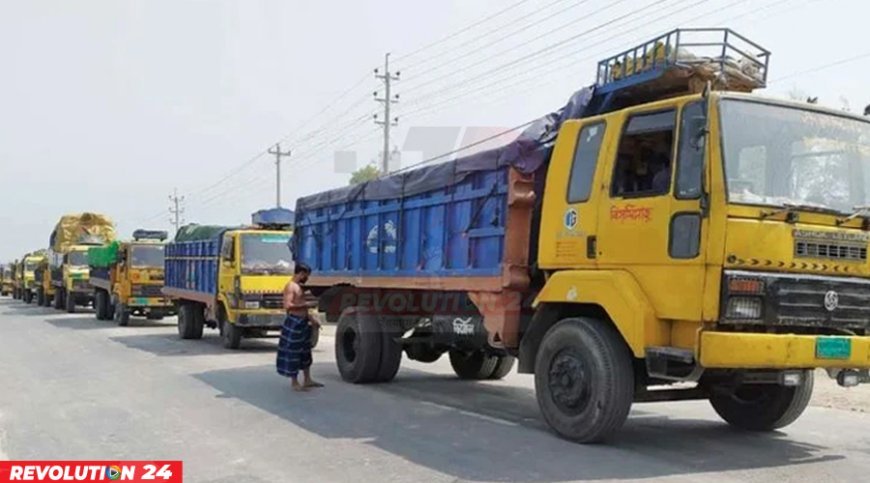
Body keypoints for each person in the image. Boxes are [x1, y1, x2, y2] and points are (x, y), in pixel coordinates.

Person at [276, 262, 322, 392]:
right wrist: (306, 305)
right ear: (301, 273)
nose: (306, 278)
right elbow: (288, 305)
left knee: (305, 351)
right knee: (293, 352)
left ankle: (307, 379)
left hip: (302, 322)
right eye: (305, 275)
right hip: (294, 322)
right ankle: (294, 382)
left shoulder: (299, 287)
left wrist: (311, 317)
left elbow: (301, 304)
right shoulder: (291, 287)